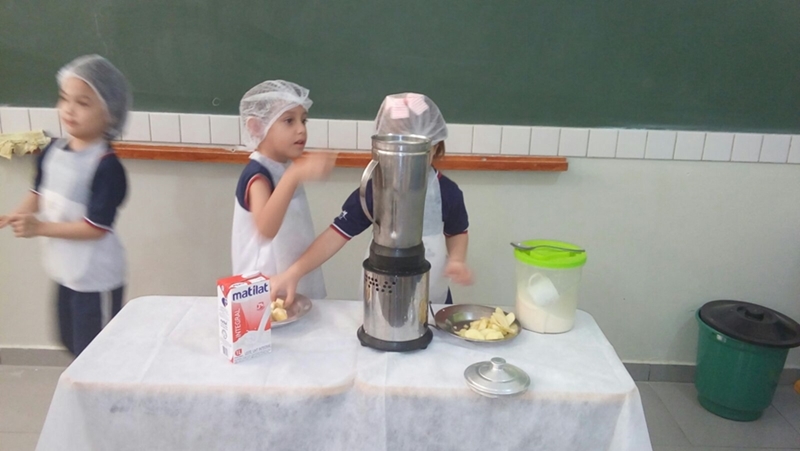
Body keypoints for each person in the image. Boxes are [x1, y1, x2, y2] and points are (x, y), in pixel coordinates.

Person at [270, 93, 473, 306]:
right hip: (382, 293)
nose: (404, 162)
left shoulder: (447, 192)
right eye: (396, 151)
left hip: (432, 295)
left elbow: (457, 232)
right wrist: (294, 272)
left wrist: (457, 259)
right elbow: (335, 235)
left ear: (435, 147)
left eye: (414, 152)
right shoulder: (374, 190)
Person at [0, 55, 131, 355]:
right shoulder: (53, 151)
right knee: (70, 342)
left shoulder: (106, 167)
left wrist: (39, 227)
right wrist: (17, 214)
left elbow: (95, 228)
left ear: (110, 114)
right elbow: (39, 191)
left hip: (96, 279)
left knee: (96, 352)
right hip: (65, 271)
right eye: (64, 98)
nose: (69, 109)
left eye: (83, 103)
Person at [232, 80, 335, 299]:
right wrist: (294, 175)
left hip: (291, 280)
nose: (301, 129)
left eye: (304, 120)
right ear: (257, 127)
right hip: (265, 288)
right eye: (289, 121)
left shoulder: (283, 168)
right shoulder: (258, 175)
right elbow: (266, 229)